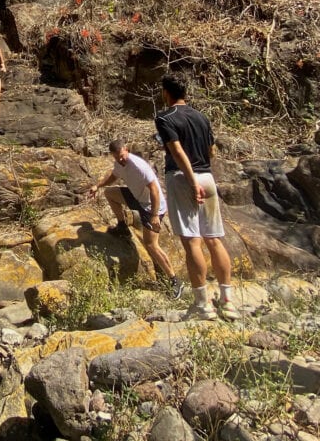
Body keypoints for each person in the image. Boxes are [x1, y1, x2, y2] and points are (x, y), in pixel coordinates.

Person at [155, 74, 237, 320]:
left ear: (165, 93)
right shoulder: (201, 117)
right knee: (214, 239)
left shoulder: (164, 117)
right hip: (207, 177)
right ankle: (227, 301)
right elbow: (211, 149)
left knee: (192, 241)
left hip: (184, 179)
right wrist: (201, 177)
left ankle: (202, 305)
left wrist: (191, 181)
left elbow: (177, 151)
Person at [88, 140, 184, 299]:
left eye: (122, 156)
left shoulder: (138, 165)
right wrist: (97, 186)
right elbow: (113, 176)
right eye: (117, 158)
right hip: (136, 197)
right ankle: (122, 227)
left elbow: (154, 190)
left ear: (126, 150)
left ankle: (175, 281)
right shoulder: (119, 163)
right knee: (110, 194)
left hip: (151, 205)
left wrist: (154, 216)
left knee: (151, 245)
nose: (121, 160)